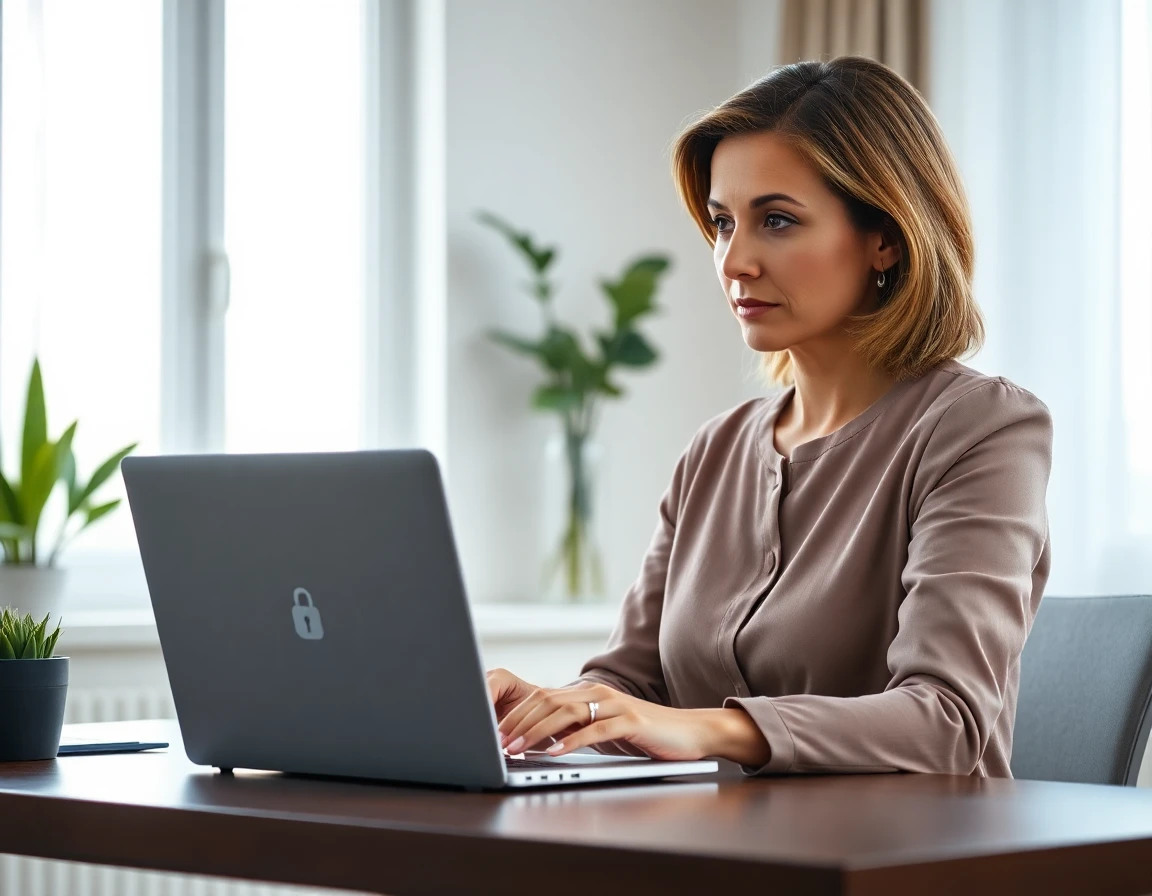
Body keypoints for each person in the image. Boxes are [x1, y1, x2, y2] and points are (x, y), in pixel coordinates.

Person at [487, 56, 1053, 777]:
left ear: (885, 236)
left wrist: (709, 731)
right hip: (719, 855)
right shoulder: (716, 450)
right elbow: (631, 683)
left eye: (777, 221)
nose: (734, 260)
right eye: (723, 223)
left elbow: (946, 722)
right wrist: (550, 710)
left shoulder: (983, 430)